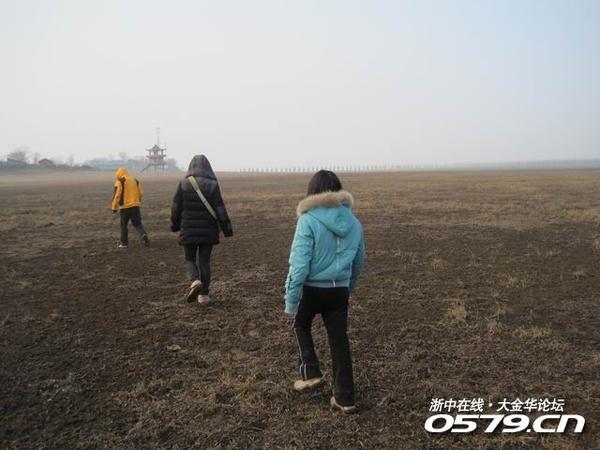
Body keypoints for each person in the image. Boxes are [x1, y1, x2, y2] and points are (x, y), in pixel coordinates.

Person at [284, 170, 365, 414]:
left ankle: (310, 372)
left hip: (311, 290)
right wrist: (348, 287)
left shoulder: (307, 220)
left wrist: (291, 300)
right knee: (339, 341)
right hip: (339, 291)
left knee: (300, 324)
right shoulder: (354, 222)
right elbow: (359, 261)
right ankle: (345, 398)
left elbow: (299, 264)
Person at [171, 155, 233, 304]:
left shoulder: (184, 183)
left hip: (188, 229)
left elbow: (176, 207)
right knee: (204, 262)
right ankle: (204, 295)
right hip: (208, 230)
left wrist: (175, 225)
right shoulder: (213, 184)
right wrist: (227, 229)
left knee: (189, 259)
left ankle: (194, 280)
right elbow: (220, 209)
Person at [111, 167, 149, 249]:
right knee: (138, 223)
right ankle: (143, 234)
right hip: (135, 206)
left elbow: (117, 195)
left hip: (124, 208)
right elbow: (141, 193)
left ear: (118, 173)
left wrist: (114, 207)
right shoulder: (135, 180)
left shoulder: (119, 181)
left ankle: (124, 243)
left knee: (124, 225)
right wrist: (137, 201)